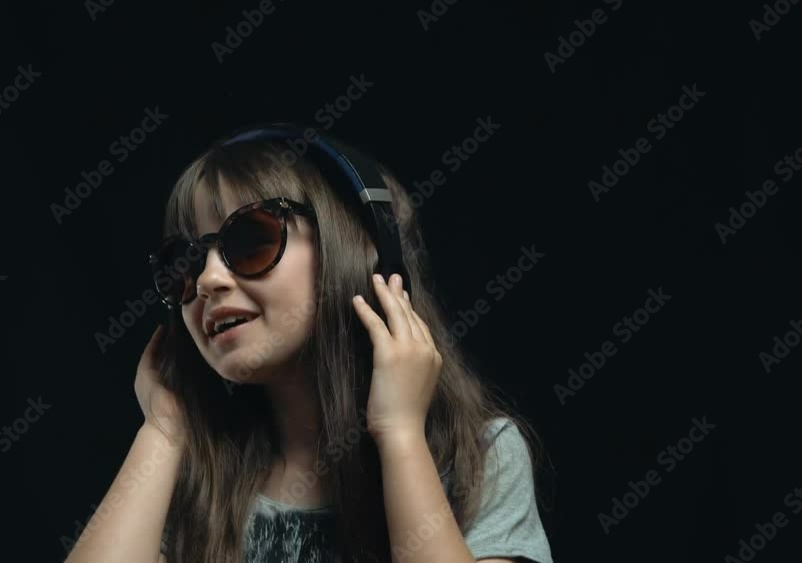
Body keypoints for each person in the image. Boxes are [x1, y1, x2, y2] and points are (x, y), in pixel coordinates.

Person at [64, 129, 554, 563]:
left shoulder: (476, 456)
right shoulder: (193, 476)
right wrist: (165, 430)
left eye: (250, 239)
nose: (209, 279)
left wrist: (400, 433)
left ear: (356, 254)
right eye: (184, 262)